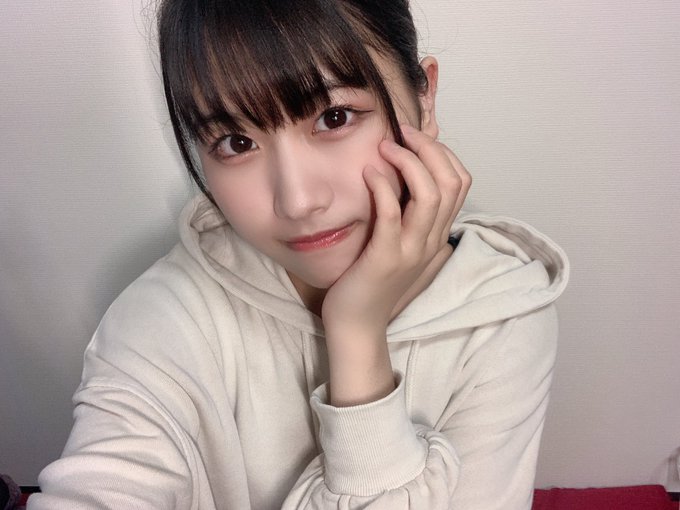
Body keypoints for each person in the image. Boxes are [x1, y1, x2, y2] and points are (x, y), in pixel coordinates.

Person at [29, 0, 569, 508]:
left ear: (423, 97)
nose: (298, 201)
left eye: (335, 117)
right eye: (236, 142)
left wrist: (356, 333)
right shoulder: (164, 318)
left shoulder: (501, 316)